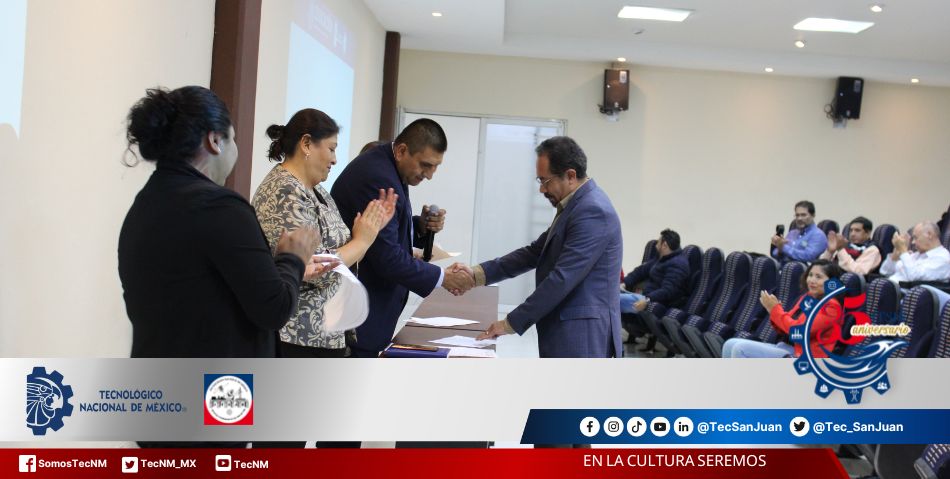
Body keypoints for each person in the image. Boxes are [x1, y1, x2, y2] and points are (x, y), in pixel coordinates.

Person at [119, 86, 329, 449]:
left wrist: (277, 270)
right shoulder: (221, 208)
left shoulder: (144, 205)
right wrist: (292, 258)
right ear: (215, 140)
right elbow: (274, 308)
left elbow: (196, 290)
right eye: (234, 138)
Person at [456, 136, 623, 358]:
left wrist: (510, 323)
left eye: (546, 181)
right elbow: (534, 253)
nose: (542, 190)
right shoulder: (575, 205)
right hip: (567, 330)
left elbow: (562, 279)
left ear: (570, 175)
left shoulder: (592, 211)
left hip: (583, 336)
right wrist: (477, 274)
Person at [252, 108, 397, 359]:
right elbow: (312, 268)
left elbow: (341, 252)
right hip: (296, 336)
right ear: (306, 144)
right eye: (331, 149)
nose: (335, 159)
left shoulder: (317, 191)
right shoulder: (284, 191)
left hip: (326, 334)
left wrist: (370, 229)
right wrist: (362, 241)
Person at [330, 119, 474, 357]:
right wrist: (442, 278)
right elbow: (386, 257)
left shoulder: (390, 168)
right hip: (358, 312)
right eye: (425, 165)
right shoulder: (378, 177)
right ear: (401, 151)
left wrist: (420, 227)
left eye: (436, 167)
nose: (430, 175)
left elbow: (386, 229)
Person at [722, 260, 844, 358]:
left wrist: (775, 310)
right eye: (810, 275)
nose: (812, 280)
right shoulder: (807, 298)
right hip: (787, 347)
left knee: (740, 349)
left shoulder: (831, 307)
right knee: (730, 344)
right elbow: (786, 327)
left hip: (804, 357)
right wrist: (772, 311)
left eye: (818, 277)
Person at [620, 229, 690, 353]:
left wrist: (647, 300)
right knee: (611, 297)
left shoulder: (678, 264)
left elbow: (667, 291)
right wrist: (624, 283)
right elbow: (641, 271)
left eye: (658, 241)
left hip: (655, 303)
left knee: (611, 300)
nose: (656, 244)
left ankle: (611, 345)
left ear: (664, 245)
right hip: (646, 298)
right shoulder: (663, 258)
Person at [879, 222, 950, 283]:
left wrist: (903, 251)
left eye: (916, 238)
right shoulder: (916, 255)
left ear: (929, 235)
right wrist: (895, 255)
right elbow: (885, 272)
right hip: (890, 287)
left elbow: (913, 277)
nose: (913, 242)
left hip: (907, 292)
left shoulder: (942, 258)